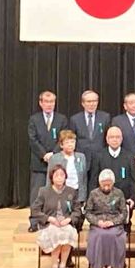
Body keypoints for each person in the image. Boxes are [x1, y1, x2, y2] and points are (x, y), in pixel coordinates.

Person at [27, 90, 68, 230]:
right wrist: (44, 154)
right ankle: (34, 222)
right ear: (41, 103)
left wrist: (53, 154)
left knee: (57, 194)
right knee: (36, 195)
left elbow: (63, 138)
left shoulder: (62, 119)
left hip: (56, 163)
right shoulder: (34, 119)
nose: (49, 104)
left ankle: (55, 220)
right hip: (39, 163)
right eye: (46, 102)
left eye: (52, 102)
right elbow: (32, 140)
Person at [31, 165, 81, 268]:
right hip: (49, 224)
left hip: (65, 223)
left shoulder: (71, 191)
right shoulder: (44, 191)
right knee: (56, 233)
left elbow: (77, 211)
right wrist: (49, 219)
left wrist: (69, 219)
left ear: (65, 177)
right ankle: (54, 265)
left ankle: (63, 265)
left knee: (68, 232)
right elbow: (35, 210)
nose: (59, 178)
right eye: (56, 175)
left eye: (62, 175)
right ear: (51, 177)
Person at [84, 169, 127, 268]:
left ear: (113, 183)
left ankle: (112, 265)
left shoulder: (119, 193)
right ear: (100, 183)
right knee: (101, 235)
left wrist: (113, 222)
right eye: (104, 185)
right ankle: (101, 265)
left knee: (112, 235)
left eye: (109, 184)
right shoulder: (93, 194)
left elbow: (124, 212)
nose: (107, 187)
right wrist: (97, 222)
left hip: (114, 223)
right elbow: (88, 212)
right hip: (98, 224)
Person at [93, 126, 135, 209]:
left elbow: (132, 180)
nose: (115, 140)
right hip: (103, 201)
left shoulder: (129, 156)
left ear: (121, 139)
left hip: (124, 200)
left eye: (117, 137)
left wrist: (132, 198)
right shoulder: (99, 156)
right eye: (112, 137)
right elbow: (94, 180)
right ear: (107, 139)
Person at [69, 90, 111, 170]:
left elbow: (108, 137)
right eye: (88, 101)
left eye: (94, 101)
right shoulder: (75, 119)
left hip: (100, 158)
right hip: (81, 158)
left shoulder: (105, 117)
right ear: (83, 103)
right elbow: (72, 139)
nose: (92, 104)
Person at [47, 129, 89, 204]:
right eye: (67, 142)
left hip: (77, 194)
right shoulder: (54, 158)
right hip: (61, 194)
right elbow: (49, 180)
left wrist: (83, 198)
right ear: (61, 145)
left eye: (72, 142)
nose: (70, 145)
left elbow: (84, 180)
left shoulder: (81, 157)